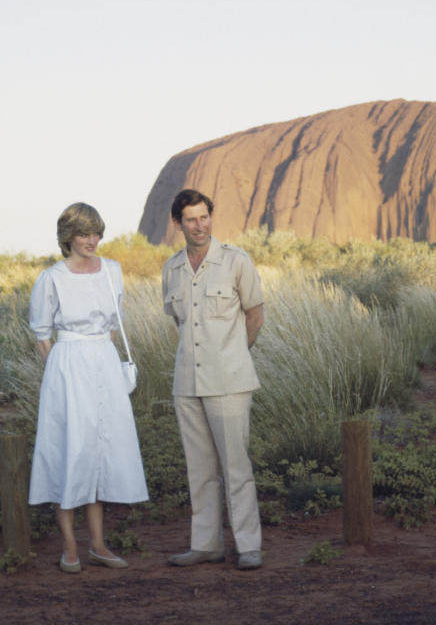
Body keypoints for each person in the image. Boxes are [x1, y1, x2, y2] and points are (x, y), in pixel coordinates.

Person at [28, 202, 148, 573]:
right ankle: (70, 548)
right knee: (69, 449)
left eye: (96, 232)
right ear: (68, 238)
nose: (92, 240)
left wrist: (100, 356)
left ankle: (98, 544)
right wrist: (59, 372)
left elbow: (114, 322)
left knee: (100, 450)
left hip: (104, 362)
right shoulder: (52, 278)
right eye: (84, 233)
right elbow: (41, 333)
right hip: (67, 367)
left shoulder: (112, 271)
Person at [161, 189, 265, 571]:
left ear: (211, 217)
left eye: (204, 217)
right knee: (199, 468)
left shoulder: (236, 262)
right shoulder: (171, 269)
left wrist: (234, 355)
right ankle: (205, 544)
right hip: (187, 383)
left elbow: (255, 315)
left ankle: (248, 545)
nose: (199, 225)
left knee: (236, 467)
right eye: (191, 219)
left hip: (230, 381)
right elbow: (180, 321)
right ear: (178, 224)